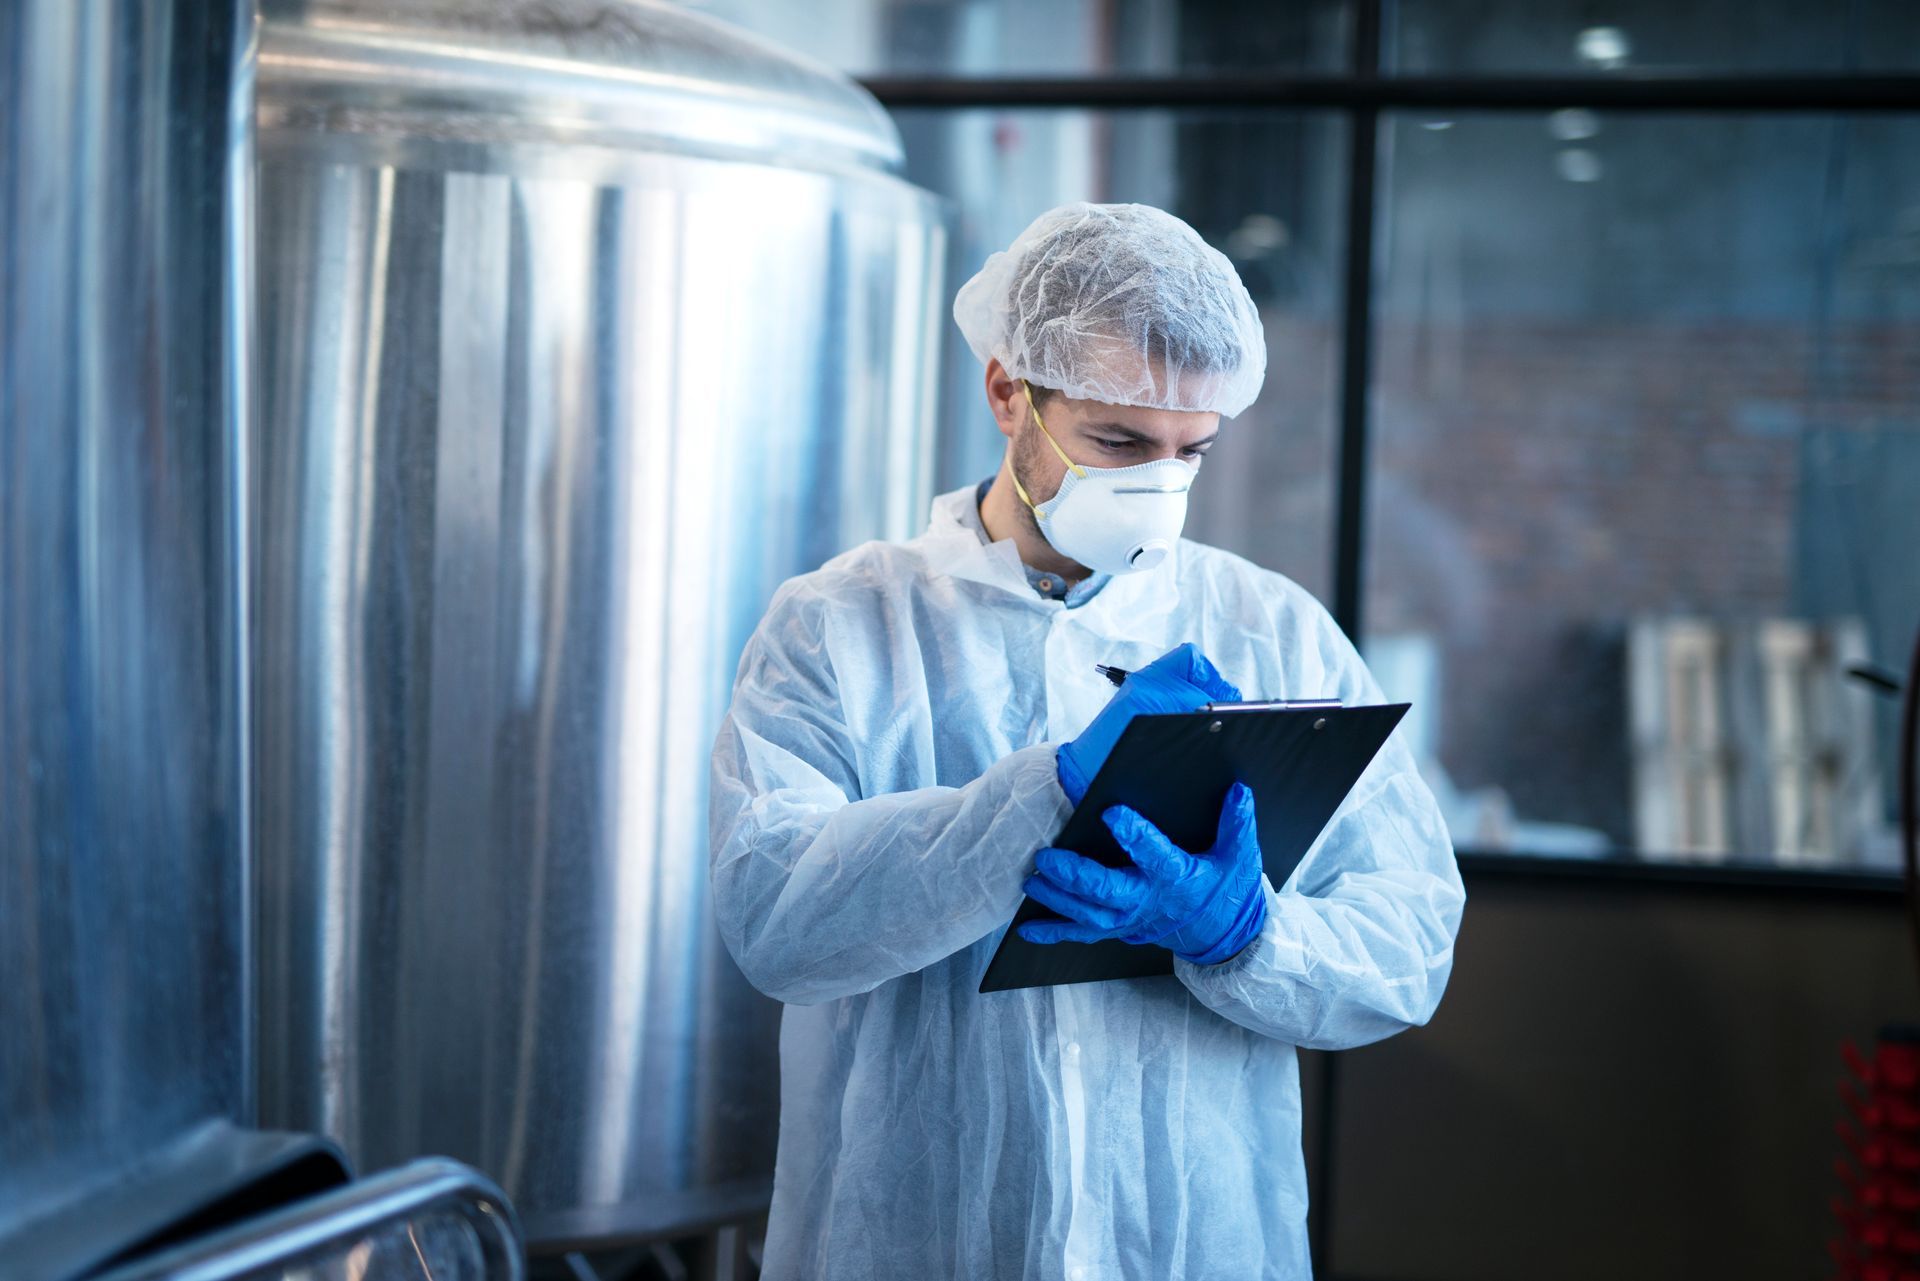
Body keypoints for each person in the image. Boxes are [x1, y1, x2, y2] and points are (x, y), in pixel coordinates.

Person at [709, 202, 1465, 1280]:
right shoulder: (845, 626)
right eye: (1117, 442)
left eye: (1189, 452)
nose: (1156, 485)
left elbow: (1412, 934)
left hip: (1194, 1246)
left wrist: (1248, 937)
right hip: (916, 1239)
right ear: (1009, 391)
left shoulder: (1272, 630)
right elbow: (774, 920)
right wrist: (1041, 796)